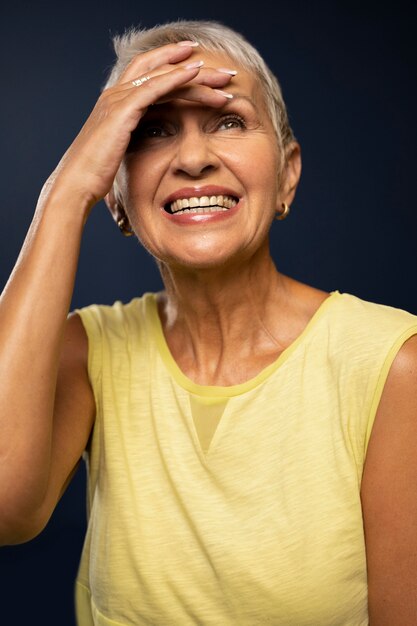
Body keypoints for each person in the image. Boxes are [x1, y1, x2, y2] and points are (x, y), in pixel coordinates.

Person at [0, 18, 416, 626]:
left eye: (228, 121)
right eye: (151, 131)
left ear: (288, 175)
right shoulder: (84, 354)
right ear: (115, 196)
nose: (194, 158)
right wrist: (63, 193)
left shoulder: (392, 364)